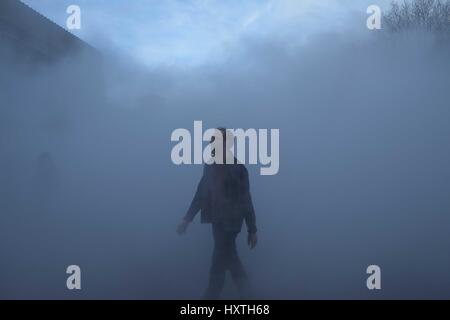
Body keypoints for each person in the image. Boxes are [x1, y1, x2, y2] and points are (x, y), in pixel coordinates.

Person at [177, 128, 258, 299]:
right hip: (218, 221)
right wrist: (187, 219)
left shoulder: (237, 168)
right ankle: (248, 295)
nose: (212, 145)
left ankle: (213, 297)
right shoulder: (212, 165)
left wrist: (252, 229)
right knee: (228, 258)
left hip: (231, 222)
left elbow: (246, 199)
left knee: (220, 260)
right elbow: (201, 193)